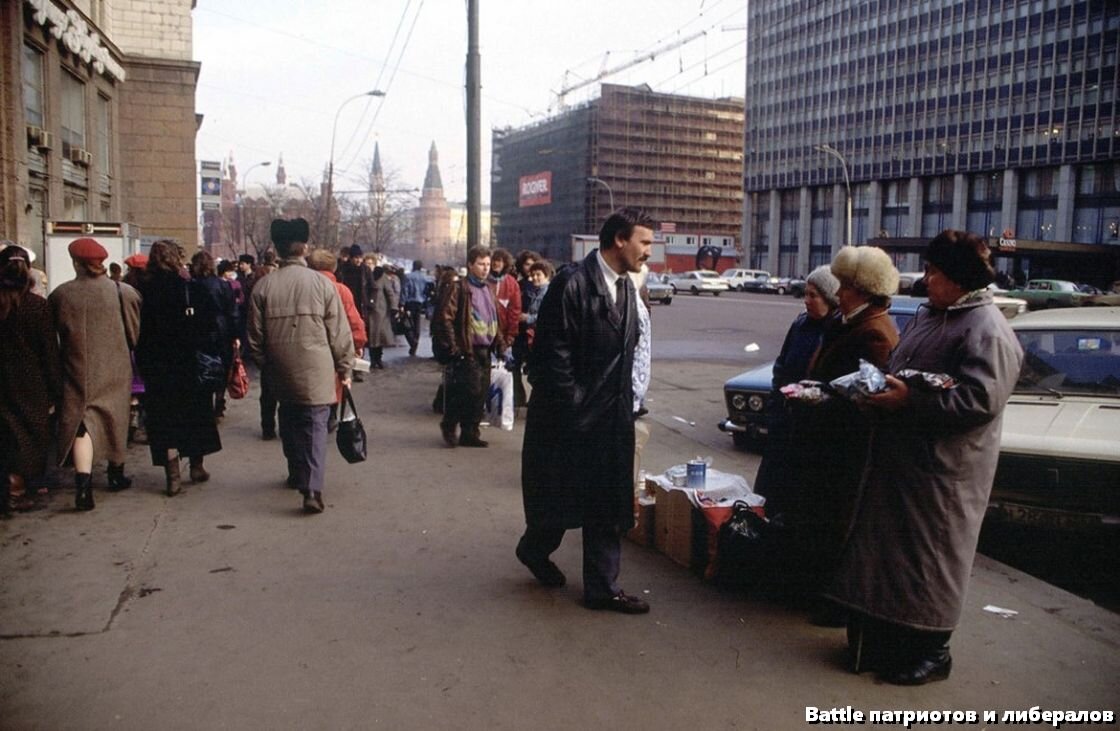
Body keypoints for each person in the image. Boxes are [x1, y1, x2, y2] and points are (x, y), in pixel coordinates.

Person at [827, 230, 1023, 685]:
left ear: (957, 277)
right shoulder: (933, 315)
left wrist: (907, 403)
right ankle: (892, 644)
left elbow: (979, 401)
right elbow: (903, 369)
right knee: (896, 560)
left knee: (933, 563)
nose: (926, 278)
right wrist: (878, 389)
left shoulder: (986, 328)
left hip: (945, 474)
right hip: (906, 463)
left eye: (934, 271)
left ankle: (935, 652)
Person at [516, 208, 653, 614]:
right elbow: (552, 358)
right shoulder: (571, 284)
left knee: (608, 506)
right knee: (558, 503)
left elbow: (626, 356)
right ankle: (533, 550)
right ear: (619, 241)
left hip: (612, 419)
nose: (649, 252)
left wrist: (628, 405)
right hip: (568, 420)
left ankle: (602, 588)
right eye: (644, 242)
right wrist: (575, 409)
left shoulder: (627, 288)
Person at [783, 246, 900, 620]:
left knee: (835, 523)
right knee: (817, 518)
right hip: (825, 440)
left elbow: (864, 395)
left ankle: (832, 602)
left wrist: (819, 397)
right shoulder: (849, 321)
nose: (840, 291)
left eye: (846, 285)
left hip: (844, 446)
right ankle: (813, 592)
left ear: (864, 291)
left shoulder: (874, 332)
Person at [248, 219, 354, 514]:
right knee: (315, 428)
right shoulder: (322, 284)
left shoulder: (263, 286)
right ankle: (312, 489)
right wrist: (345, 367)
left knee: (290, 421)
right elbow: (339, 332)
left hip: (280, 370)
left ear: (277, 248)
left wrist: (266, 363)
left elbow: (254, 338)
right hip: (318, 370)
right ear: (304, 247)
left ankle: (296, 473)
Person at [49, 237, 141, 511]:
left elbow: (54, 336)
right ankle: (116, 472)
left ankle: (83, 487)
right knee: (115, 418)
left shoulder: (61, 295)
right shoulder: (122, 291)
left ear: (76, 263)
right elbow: (133, 333)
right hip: (114, 366)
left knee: (82, 423)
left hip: (76, 366)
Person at [134, 243, 227, 495]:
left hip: (157, 365)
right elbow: (209, 325)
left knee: (164, 419)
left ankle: (172, 474)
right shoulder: (190, 287)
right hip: (188, 362)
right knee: (195, 414)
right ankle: (196, 466)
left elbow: (139, 331)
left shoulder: (144, 290)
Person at [752, 265, 840, 499]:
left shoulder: (836, 331)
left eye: (814, 295)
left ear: (830, 298)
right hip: (784, 421)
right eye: (806, 294)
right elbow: (781, 365)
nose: (807, 300)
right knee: (768, 489)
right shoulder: (800, 325)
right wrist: (776, 404)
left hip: (810, 428)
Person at [0, 246, 60, 515]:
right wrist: (56, 389)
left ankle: (12, 487)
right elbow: (49, 352)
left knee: (6, 434)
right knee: (28, 436)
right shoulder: (37, 306)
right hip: (30, 382)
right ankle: (16, 489)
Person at [431, 246, 504, 448]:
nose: (485, 268)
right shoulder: (459, 288)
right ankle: (449, 424)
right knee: (467, 391)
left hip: (485, 349)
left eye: (488, 264)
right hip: (467, 349)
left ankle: (470, 432)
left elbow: (493, 318)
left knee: (480, 393)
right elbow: (445, 318)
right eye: (481, 264)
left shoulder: (488, 288)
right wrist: (454, 347)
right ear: (470, 265)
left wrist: (500, 342)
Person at [307, 249, 367, 430]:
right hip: (335, 345)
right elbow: (353, 320)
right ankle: (331, 414)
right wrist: (358, 343)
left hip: (308, 343)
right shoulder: (341, 290)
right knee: (335, 381)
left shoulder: (303, 288)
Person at [366, 259, 399, 369]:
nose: (369, 265)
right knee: (371, 336)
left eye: (371, 263)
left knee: (378, 336)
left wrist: (394, 307)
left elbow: (390, 292)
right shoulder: (363, 274)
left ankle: (378, 358)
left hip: (381, 310)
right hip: (368, 310)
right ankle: (372, 359)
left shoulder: (381, 276)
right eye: (367, 263)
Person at [400, 260, 432, 356]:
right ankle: (415, 341)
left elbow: (405, 290)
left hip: (410, 302)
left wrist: (402, 303)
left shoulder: (408, 277)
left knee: (407, 324)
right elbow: (429, 288)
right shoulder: (425, 277)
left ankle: (412, 341)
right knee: (417, 322)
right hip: (420, 302)